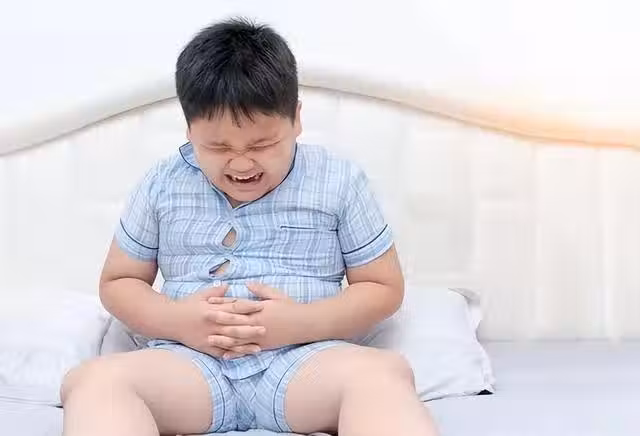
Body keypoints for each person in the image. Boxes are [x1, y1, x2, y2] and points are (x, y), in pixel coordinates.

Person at [60, 17, 439, 436]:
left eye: (263, 144)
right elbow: (119, 281)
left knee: (382, 374)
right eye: (217, 147)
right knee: (92, 381)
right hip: (190, 367)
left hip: (305, 363)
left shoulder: (339, 180)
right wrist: (179, 321)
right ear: (189, 129)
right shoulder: (162, 183)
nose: (241, 163)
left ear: (296, 119)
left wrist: (300, 323)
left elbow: (383, 286)